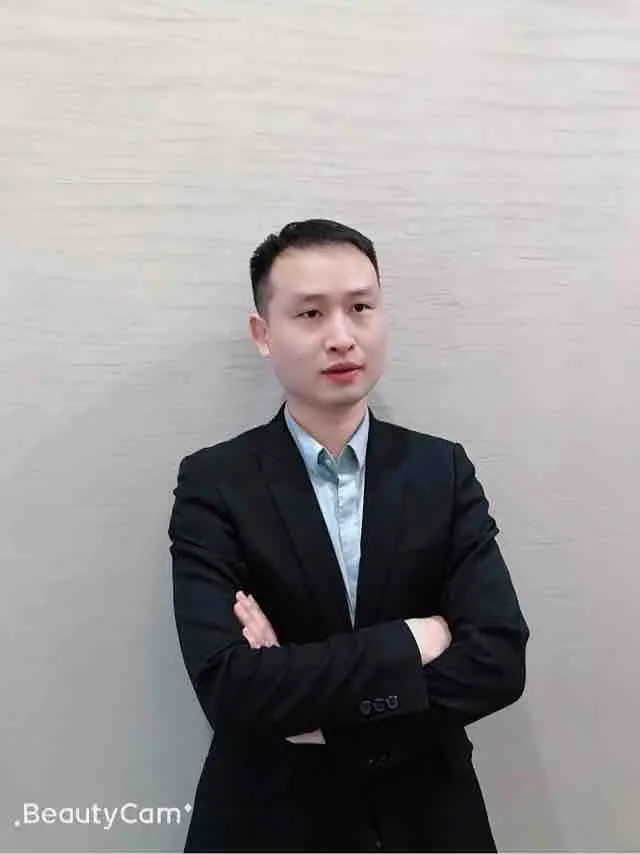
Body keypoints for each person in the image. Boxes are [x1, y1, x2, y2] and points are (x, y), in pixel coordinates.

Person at [168, 218, 529, 852]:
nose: (342, 337)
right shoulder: (215, 483)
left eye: (361, 307)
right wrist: (411, 640)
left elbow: (497, 661)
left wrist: (319, 714)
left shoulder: (441, 471)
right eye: (310, 314)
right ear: (263, 333)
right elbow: (231, 688)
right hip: (270, 821)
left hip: (428, 820)